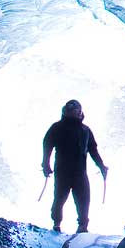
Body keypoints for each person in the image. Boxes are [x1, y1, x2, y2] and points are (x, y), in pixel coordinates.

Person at [41, 99, 107, 233]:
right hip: (65, 171)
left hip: (77, 172)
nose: (74, 113)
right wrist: (45, 163)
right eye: (72, 111)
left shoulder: (84, 130)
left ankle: (82, 226)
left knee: (82, 199)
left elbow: (93, 150)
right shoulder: (59, 128)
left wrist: (101, 166)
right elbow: (47, 144)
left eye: (75, 111)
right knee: (61, 198)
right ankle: (58, 223)